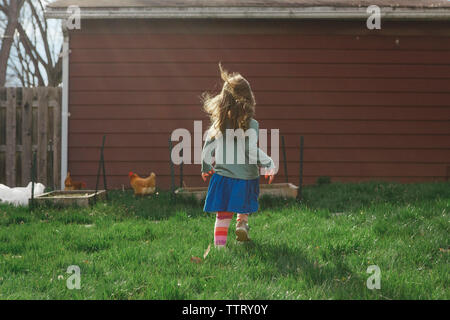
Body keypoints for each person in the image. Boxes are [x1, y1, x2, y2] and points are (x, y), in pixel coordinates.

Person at [201, 63, 276, 248]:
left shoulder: (219, 123)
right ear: (249, 99)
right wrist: (268, 162)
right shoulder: (251, 124)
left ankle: (219, 248)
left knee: (223, 214)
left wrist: (205, 167)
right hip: (245, 177)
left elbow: (207, 146)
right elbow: (250, 150)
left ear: (224, 99)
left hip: (223, 176)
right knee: (242, 206)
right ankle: (242, 223)